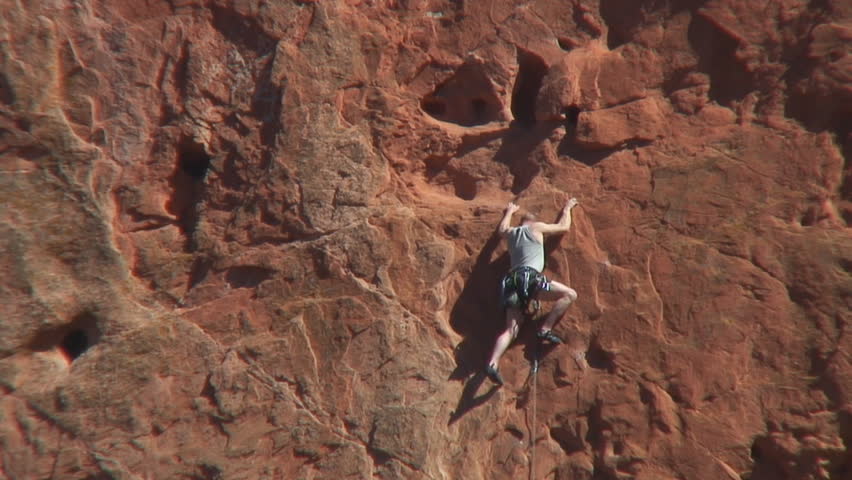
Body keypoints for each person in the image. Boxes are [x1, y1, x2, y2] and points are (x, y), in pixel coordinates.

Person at [484, 198, 580, 385]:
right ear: (534, 221)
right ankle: (545, 329)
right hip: (530, 278)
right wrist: (567, 208)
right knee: (570, 294)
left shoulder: (512, 233)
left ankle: (492, 362)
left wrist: (509, 212)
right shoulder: (536, 227)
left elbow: (501, 230)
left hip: (511, 281)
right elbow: (563, 227)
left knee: (511, 329)